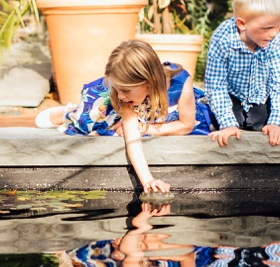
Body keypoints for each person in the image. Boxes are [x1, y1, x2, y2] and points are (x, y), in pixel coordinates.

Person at [38, 40, 214, 193]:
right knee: (92, 121)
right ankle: (68, 114)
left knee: (155, 120)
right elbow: (133, 141)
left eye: (126, 90)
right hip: (116, 106)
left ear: (149, 81)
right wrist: (148, 180)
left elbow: (186, 125)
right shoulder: (121, 96)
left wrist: (145, 128)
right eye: (119, 90)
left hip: (159, 110)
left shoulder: (180, 82)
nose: (121, 95)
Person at [204, 0, 280, 148]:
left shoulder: (274, 40)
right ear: (242, 24)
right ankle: (228, 118)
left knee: (260, 124)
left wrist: (277, 122)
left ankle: (256, 117)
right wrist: (227, 123)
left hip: (259, 95)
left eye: (278, 26)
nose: (274, 33)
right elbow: (216, 85)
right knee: (229, 122)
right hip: (232, 95)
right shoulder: (222, 39)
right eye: (267, 28)